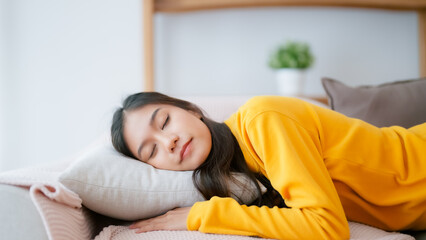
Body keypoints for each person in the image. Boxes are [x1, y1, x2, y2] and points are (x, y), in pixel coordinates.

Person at [110, 92, 426, 239]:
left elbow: (327, 227)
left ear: (192, 110)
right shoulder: (235, 175)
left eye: (164, 121)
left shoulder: (262, 120)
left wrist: (203, 215)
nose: (169, 142)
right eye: (152, 151)